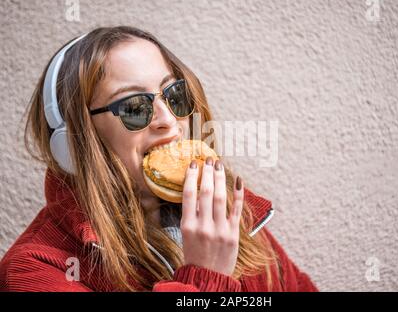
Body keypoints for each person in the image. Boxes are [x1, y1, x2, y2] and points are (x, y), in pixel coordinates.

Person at [0, 26, 317, 292]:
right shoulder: (33, 269)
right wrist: (206, 277)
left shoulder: (232, 217)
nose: (168, 120)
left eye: (175, 95)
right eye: (135, 106)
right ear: (72, 144)